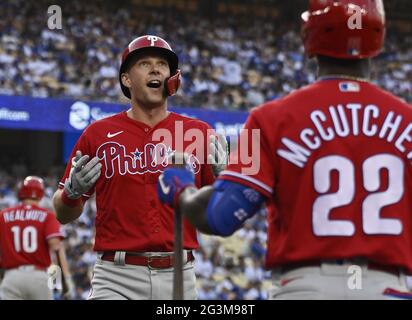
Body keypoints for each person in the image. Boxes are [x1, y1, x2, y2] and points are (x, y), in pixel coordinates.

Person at [157, 0, 412, 299]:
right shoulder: (407, 120)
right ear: (378, 38)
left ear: (310, 37)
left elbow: (220, 217)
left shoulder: (268, 118)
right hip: (389, 289)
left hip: (305, 287)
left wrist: (182, 191)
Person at [52, 35, 227, 300]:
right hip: (116, 277)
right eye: (144, 63)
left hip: (179, 275)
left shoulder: (200, 133)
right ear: (126, 79)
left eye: (162, 64)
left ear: (172, 77)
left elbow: (220, 219)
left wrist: (225, 179)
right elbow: (62, 214)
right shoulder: (97, 134)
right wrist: (71, 194)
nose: (156, 69)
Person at [0, 176, 72, 300]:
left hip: (12, 276)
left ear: (21, 192)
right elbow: (56, 248)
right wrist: (65, 279)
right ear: (41, 194)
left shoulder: (3, 215)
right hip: (38, 276)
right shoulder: (47, 216)